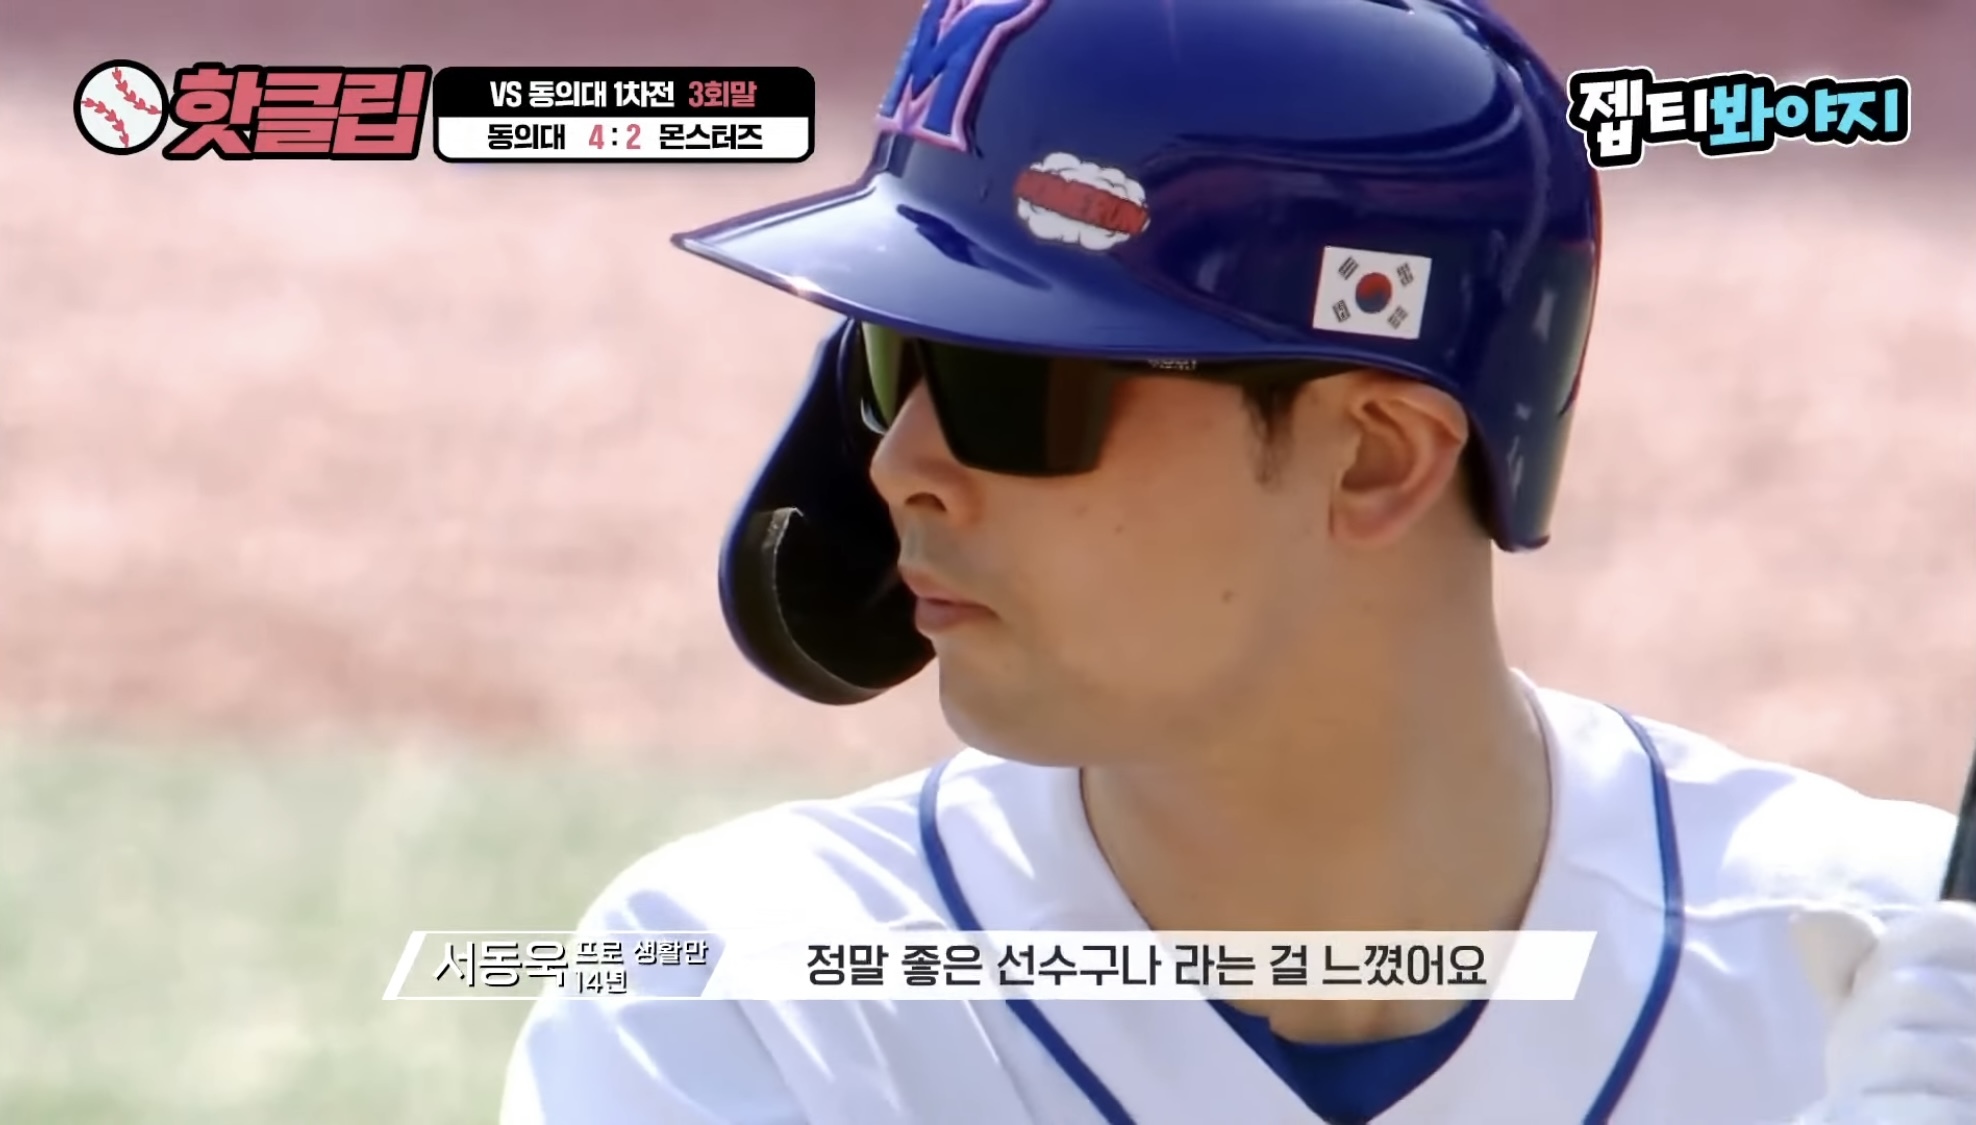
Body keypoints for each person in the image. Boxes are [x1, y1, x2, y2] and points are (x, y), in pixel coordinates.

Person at [500, 0, 1976, 1121]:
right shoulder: (742, 999)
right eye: (891, 358)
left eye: (1013, 384)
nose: (901, 464)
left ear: (1378, 455)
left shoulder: (1902, 965)